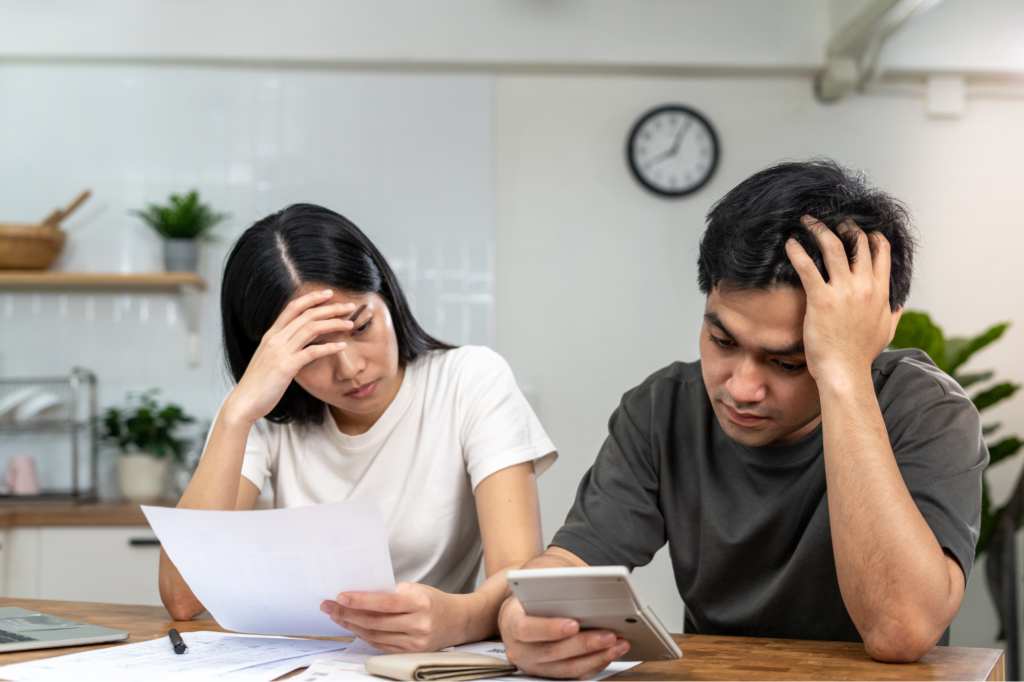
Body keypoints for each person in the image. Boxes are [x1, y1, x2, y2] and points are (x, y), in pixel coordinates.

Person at [498, 160, 987, 679]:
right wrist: (521, 618)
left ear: (870, 332)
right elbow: (570, 565)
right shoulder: (662, 408)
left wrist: (844, 374)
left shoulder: (927, 412)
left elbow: (901, 630)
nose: (741, 389)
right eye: (723, 341)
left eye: (789, 362)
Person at [159, 204, 557, 653]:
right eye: (311, 350)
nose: (349, 369)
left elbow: (519, 575)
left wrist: (457, 619)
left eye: (361, 325)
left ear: (387, 295)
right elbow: (183, 598)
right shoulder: (263, 413)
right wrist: (236, 415)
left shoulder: (470, 379)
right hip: (302, 660)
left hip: (430, 663)